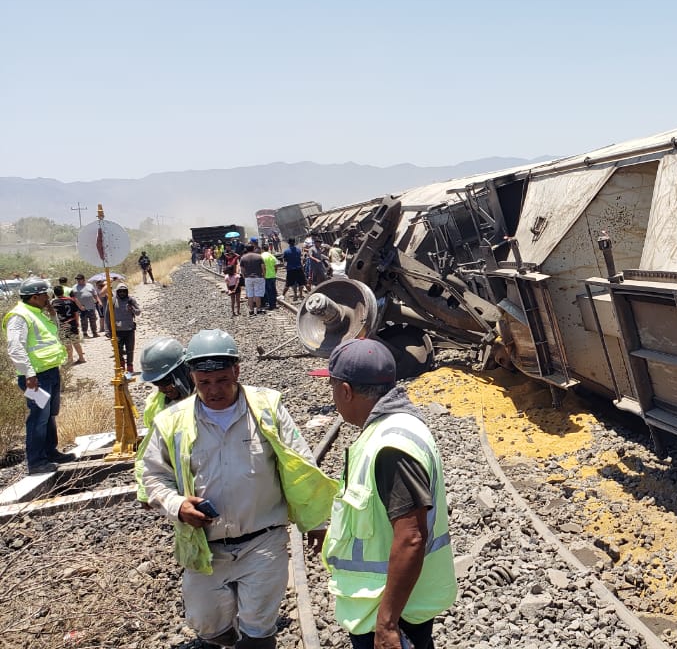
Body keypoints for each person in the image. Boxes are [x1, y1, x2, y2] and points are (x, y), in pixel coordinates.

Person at [139, 329, 337, 649]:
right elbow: (153, 476)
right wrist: (176, 504)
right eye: (204, 383)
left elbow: (301, 466)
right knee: (209, 625)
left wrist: (318, 522)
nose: (214, 390)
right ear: (192, 378)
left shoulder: (267, 409)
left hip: (263, 540)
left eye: (221, 380)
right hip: (205, 546)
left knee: (259, 629)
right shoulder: (172, 421)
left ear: (236, 371)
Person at [311, 338, 457, 649]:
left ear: (346, 391)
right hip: (397, 601)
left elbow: (411, 537)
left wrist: (387, 624)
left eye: (333, 387)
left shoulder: (390, 446)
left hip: (389, 609)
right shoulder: (396, 428)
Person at [4, 278, 75, 474]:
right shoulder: (19, 316)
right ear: (34, 297)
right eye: (45, 295)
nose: (48, 298)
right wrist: (29, 374)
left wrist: (52, 316)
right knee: (38, 417)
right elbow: (15, 347)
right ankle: (36, 462)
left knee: (49, 414)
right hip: (35, 377)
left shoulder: (38, 313)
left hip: (49, 372)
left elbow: (51, 337)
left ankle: (50, 452)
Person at [133, 337, 194, 502]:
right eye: (156, 383)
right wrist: (145, 491)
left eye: (165, 381)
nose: (162, 389)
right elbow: (149, 450)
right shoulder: (156, 405)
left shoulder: (211, 398)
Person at [50, 286, 87, 365]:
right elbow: (76, 313)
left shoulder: (54, 302)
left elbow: (53, 315)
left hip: (63, 325)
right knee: (76, 342)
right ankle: (81, 358)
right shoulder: (70, 300)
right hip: (72, 323)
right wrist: (76, 322)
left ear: (54, 293)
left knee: (67, 343)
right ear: (63, 292)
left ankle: (70, 360)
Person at [113, 284, 142, 373]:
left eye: (124, 291)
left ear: (126, 291)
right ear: (117, 292)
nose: (122, 293)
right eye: (120, 291)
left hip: (129, 329)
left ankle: (130, 366)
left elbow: (138, 312)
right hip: (117, 330)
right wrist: (107, 329)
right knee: (118, 350)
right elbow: (107, 316)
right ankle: (121, 365)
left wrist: (132, 309)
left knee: (130, 349)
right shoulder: (113, 300)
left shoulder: (131, 300)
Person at [239, 241, 266, 316]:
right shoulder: (259, 256)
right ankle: (258, 309)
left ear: (246, 249)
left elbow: (242, 269)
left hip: (248, 278)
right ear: (253, 248)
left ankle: (251, 310)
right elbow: (263, 267)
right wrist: (264, 275)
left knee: (250, 294)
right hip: (258, 277)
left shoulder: (243, 258)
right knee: (258, 294)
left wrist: (244, 276)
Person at [72, 274, 100, 338]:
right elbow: (73, 297)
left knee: (93, 320)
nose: (78, 280)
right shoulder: (74, 287)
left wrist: (99, 301)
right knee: (83, 321)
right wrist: (79, 306)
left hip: (91, 306)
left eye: (79, 279)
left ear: (83, 279)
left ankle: (94, 332)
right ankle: (85, 334)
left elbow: (95, 295)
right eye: (77, 279)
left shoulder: (90, 286)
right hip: (81, 307)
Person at [261, 244, 279, 311]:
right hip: (272, 275)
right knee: (273, 290)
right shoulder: (272, 256)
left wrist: (263, 275)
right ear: (268, 249)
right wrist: (275, 272)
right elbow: (276, 265)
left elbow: (262, 266)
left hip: (266, 276)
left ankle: (270, 305)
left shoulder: (262, 256)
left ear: (262, 249)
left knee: (268, 291)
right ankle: (274, 304)